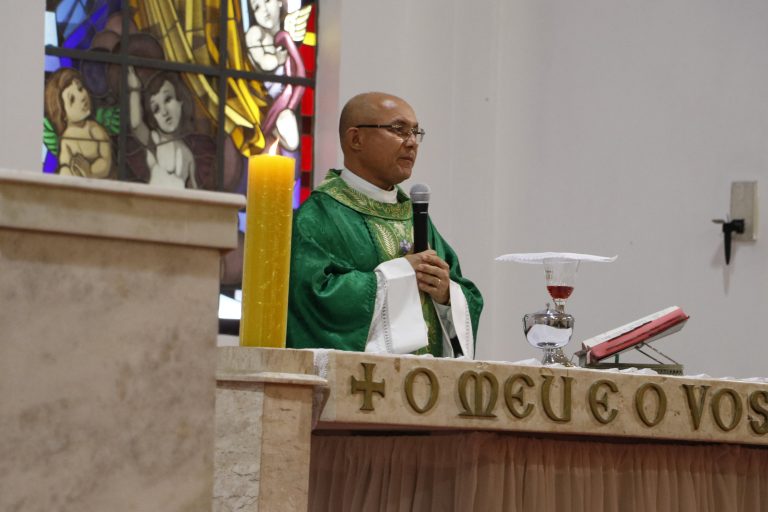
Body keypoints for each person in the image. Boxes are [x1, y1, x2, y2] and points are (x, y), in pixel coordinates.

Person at [286, 92, 483, 358]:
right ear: (356, 139)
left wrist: (447, 295)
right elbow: (312, 299)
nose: (412, 142)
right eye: (399, 130)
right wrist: (400, 274)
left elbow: (464, 291)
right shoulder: (319, 216)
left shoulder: (413, 216)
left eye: (416, 132)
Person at [44, 68, 113, 178]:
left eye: (80, 89)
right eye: (72, 99)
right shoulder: (66, 139)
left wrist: (89, 172)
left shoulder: (94, 130)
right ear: (63, 115)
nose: (82, 97)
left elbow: (105, 161)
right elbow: (64, 165)